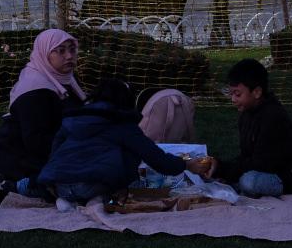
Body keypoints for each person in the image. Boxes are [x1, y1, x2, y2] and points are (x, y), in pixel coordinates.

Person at [38, 79, 208, 208]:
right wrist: (185, 165)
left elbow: (55, 151)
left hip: (60, 183)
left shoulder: (73, 120)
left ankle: (66, 201)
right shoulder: (122, 125)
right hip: (93, 185)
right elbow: (154, 156)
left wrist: (51, 179)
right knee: (130, 150)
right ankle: (101, 199)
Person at [0, 29, 86, 202]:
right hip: (24, 158)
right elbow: (36, 141)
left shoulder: (65, 78)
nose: (69, 56)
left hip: (58, 147)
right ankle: (16, 184)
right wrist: (77, 150)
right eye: (61, 51)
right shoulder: (35, 90)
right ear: (44, 54)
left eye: (72, 49)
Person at [208, 58, 292, 197]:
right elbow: (247, 156)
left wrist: (223, 169)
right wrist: (221, 167)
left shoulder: (273, 117)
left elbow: (260, 164)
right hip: (266, 169)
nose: (233, 99)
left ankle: (237, 185)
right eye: (231, 93)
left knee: (249, 182)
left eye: (238, 94)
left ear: (257, 92)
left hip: (290, 176)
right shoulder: (246, 115)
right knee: (242, 177)